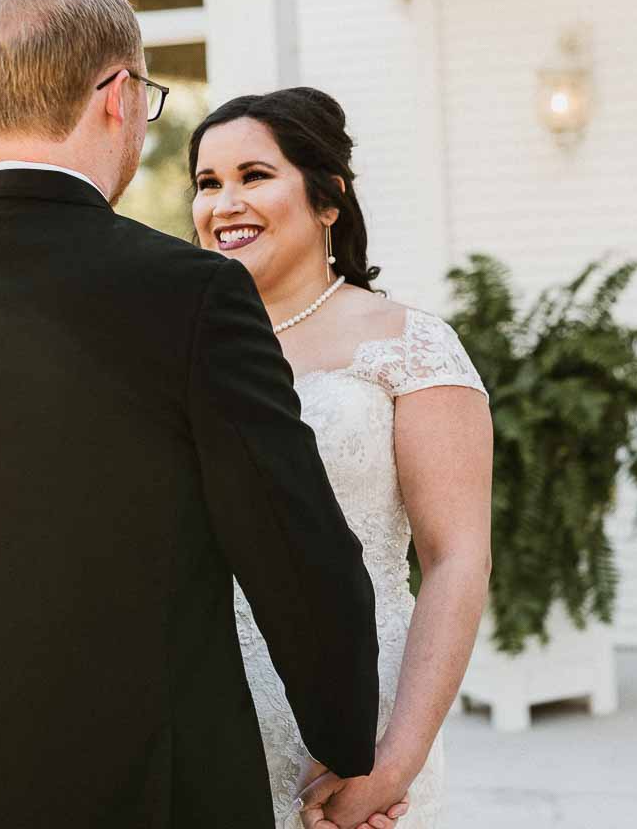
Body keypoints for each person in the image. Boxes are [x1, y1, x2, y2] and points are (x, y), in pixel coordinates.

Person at [0, 0, 398, 829]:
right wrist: (349, 745)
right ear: (118, 95)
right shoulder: (191, 295)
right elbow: (296, 554)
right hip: (151, 792)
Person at [188, 88, 495, 829]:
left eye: (254, 175)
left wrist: (392, 763)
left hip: (362, 723)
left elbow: (456, 560)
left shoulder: (409, 345)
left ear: (329, 199)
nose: (224, 203)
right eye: (207, 183)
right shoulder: (182, 350)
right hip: (205, 723)